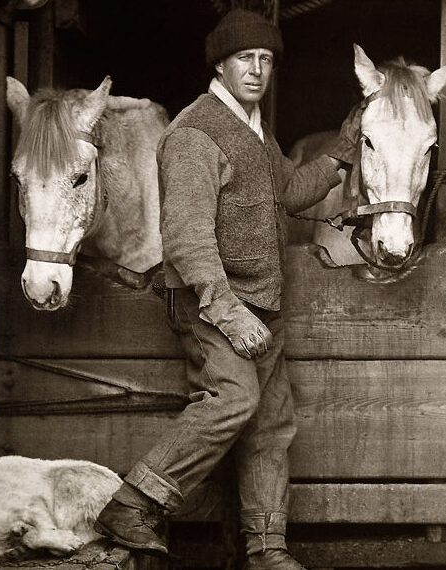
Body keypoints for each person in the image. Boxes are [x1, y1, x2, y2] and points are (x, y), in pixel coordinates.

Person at [93, 9, 357, 570]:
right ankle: (132, 502)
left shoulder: (254, 130)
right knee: (233, 399)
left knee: (271, 423)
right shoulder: (195, 132)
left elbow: (289, 191)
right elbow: (186, 239)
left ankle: (266, 551)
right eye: (246, 59)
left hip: (262, 300)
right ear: (220, 63)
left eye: (266, 60)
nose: (258, 70)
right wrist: (227, 311)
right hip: (215, 303)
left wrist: (342, 152)